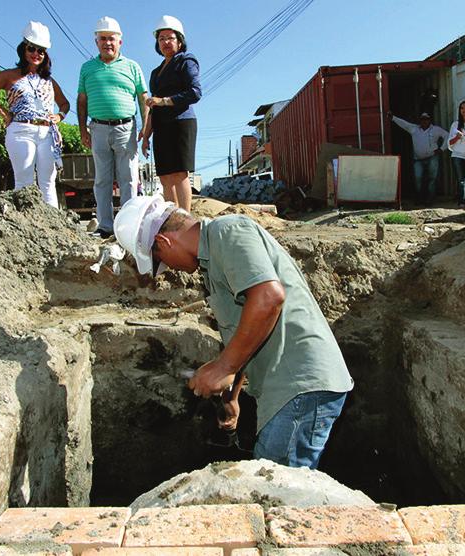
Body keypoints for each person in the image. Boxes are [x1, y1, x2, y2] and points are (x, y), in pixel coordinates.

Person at [113, 196, 354, 469]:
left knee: (275, 494)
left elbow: (268, 298)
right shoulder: (212, 264)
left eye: (161, 261)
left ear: (162, 242)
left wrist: (223, 366)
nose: (168, 268)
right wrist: (232, 396)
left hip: (300, 384)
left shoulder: (227, 231)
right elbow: (246, 330)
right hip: (289, 391)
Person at [0, 21, 70, 208]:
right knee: (24, 180)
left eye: (41, 51)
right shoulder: (9, 75)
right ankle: (24, 224)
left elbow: (64, 103)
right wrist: (4, 112)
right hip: (20, 130)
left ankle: (51, 226)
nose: (36, 54)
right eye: (32, 49)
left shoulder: (49, 80)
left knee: (48, 183)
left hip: (46, 134)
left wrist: (59, 116)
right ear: (24, 49)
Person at [77, 16, 149, 238]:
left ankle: (129, 228)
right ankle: (106, 227)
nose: (107, 43)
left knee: (129, 179)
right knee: (102, 180)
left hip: (126, 128)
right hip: (97, 129)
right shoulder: (87, 68)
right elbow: (82, 100)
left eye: (111, 39)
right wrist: (82, 129)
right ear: (96, 42)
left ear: (120, 42)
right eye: (103, 39)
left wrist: (145, 129)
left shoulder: (132, 67)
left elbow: (143, 98)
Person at [141, 15, 201, 212]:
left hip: (181, 123)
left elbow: (195, 92)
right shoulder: (156, 73)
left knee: (179, 174)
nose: (165, 42)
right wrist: (146, 135)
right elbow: (153, 105)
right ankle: (173, 219)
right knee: (165, 176)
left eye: (170, 37)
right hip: (161, 126)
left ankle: (186, 218)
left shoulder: (186, 61)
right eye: (161, 39)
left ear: (179, 40)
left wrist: (165, 101)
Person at [388, 110, 449, 206]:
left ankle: (430, 199)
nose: (424, 121)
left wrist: (442, 149)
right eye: (422, 119)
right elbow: (404, 124)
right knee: (418, 178)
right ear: (420, 120)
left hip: (432, 157)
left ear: (430, 120)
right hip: (418, 159)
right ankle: (419, 199)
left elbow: (447, 135)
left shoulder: (436, 129)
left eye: (426, 119)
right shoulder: (414, 129)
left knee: (432, 179)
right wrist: (393, 118)